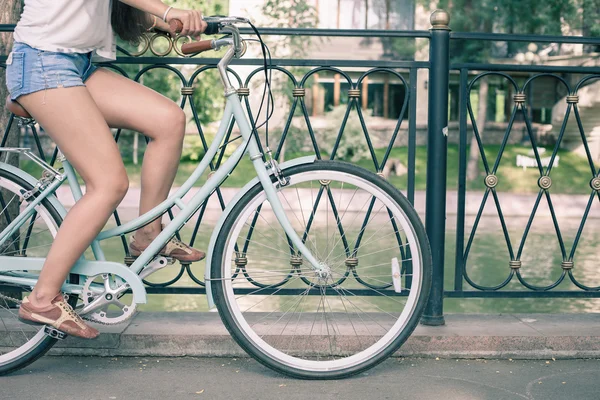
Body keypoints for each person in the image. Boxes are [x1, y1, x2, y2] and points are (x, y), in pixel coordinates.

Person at [5, 0, 207, 339]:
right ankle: (42, 299)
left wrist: (164, 23)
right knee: (109, 183)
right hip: (43, 62)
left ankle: (147, 236)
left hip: (75, 64)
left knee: (169, 120)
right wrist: (169, 10)